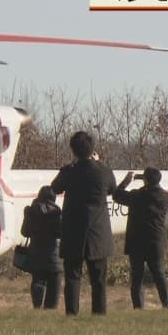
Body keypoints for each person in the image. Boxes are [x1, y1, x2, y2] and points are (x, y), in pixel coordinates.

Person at [51, 131, 116, 315]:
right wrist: (98, 162)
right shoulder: (103, 171)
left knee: (72, 277)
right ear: (92, 148)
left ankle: (72, 313)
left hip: (73, 231)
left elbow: (54, 188)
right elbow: (112, 188)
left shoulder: (70, 172)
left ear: (73, 150)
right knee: (99, 280)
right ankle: (99, 314)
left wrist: (72, 165)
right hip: (98, 232)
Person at [112, 167, 168, 309]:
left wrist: (127, 180)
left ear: (145, 180)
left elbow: (116, 194)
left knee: (137, 278)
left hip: (136, 242)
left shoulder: (137, 196)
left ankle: (139, 307)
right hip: (156, 241)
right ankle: (167, 305)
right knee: (159, 275)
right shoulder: (166, 197)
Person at [20, 186, 62, 309]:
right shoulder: (57, 212)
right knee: (54, 285)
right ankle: (50, 310)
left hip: (36, 253)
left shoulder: (31, 211)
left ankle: (37, 307)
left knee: (38, 281)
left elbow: (25, 232)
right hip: (54, 254)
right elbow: (61, 233)